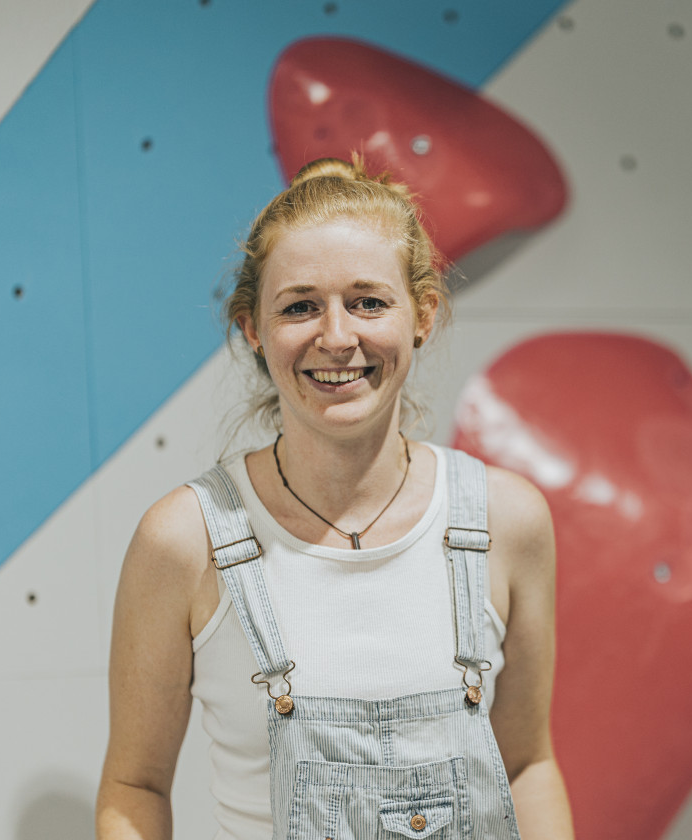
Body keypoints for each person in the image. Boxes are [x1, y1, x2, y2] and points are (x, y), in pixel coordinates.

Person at [95, 158, 574, 840]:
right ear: (253, 330)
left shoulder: (506, 520)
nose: (338, 336)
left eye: (369, 301)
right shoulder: (186, 539)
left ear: (423, 316)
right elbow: (133, 787)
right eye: (299, 306)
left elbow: (527, 766)